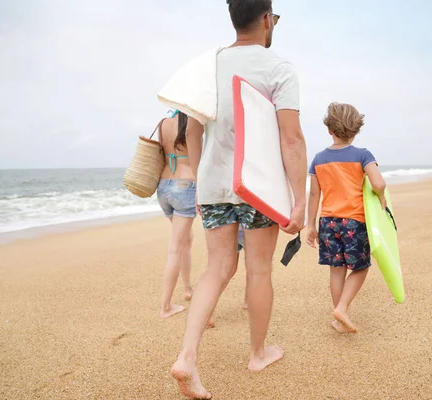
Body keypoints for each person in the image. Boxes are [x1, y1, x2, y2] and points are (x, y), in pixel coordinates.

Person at [170, 1, 307, 398]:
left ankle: (187, 357)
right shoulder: (278, 67)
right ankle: (258, 354)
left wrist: (200, 180)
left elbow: (192, 132)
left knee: (217, 268)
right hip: (258, 186)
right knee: (259, 269)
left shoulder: (207, 66)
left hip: (213, 184)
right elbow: (292, 139)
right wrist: (300, 199)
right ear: (267, 20)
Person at [305, 103, 387, 334]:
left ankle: (338, 318)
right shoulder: (363, 154)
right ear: (356, 129)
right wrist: (381, 197)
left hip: (328, 222)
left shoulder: (319, 159)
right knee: (361, 267)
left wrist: (310, 225)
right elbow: (378, 183)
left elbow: (314, 194)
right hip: (354, 221)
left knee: (336, 268)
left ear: (329, 129)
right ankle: (341, 308)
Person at [157, 110, 196, 318]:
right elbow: (198, 157)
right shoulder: (192, 121)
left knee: (186, 239)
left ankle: (188, 288)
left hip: (163, 187)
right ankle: (165, 306)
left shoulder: (164, 123)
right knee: (175, 248)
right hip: (185, 185)